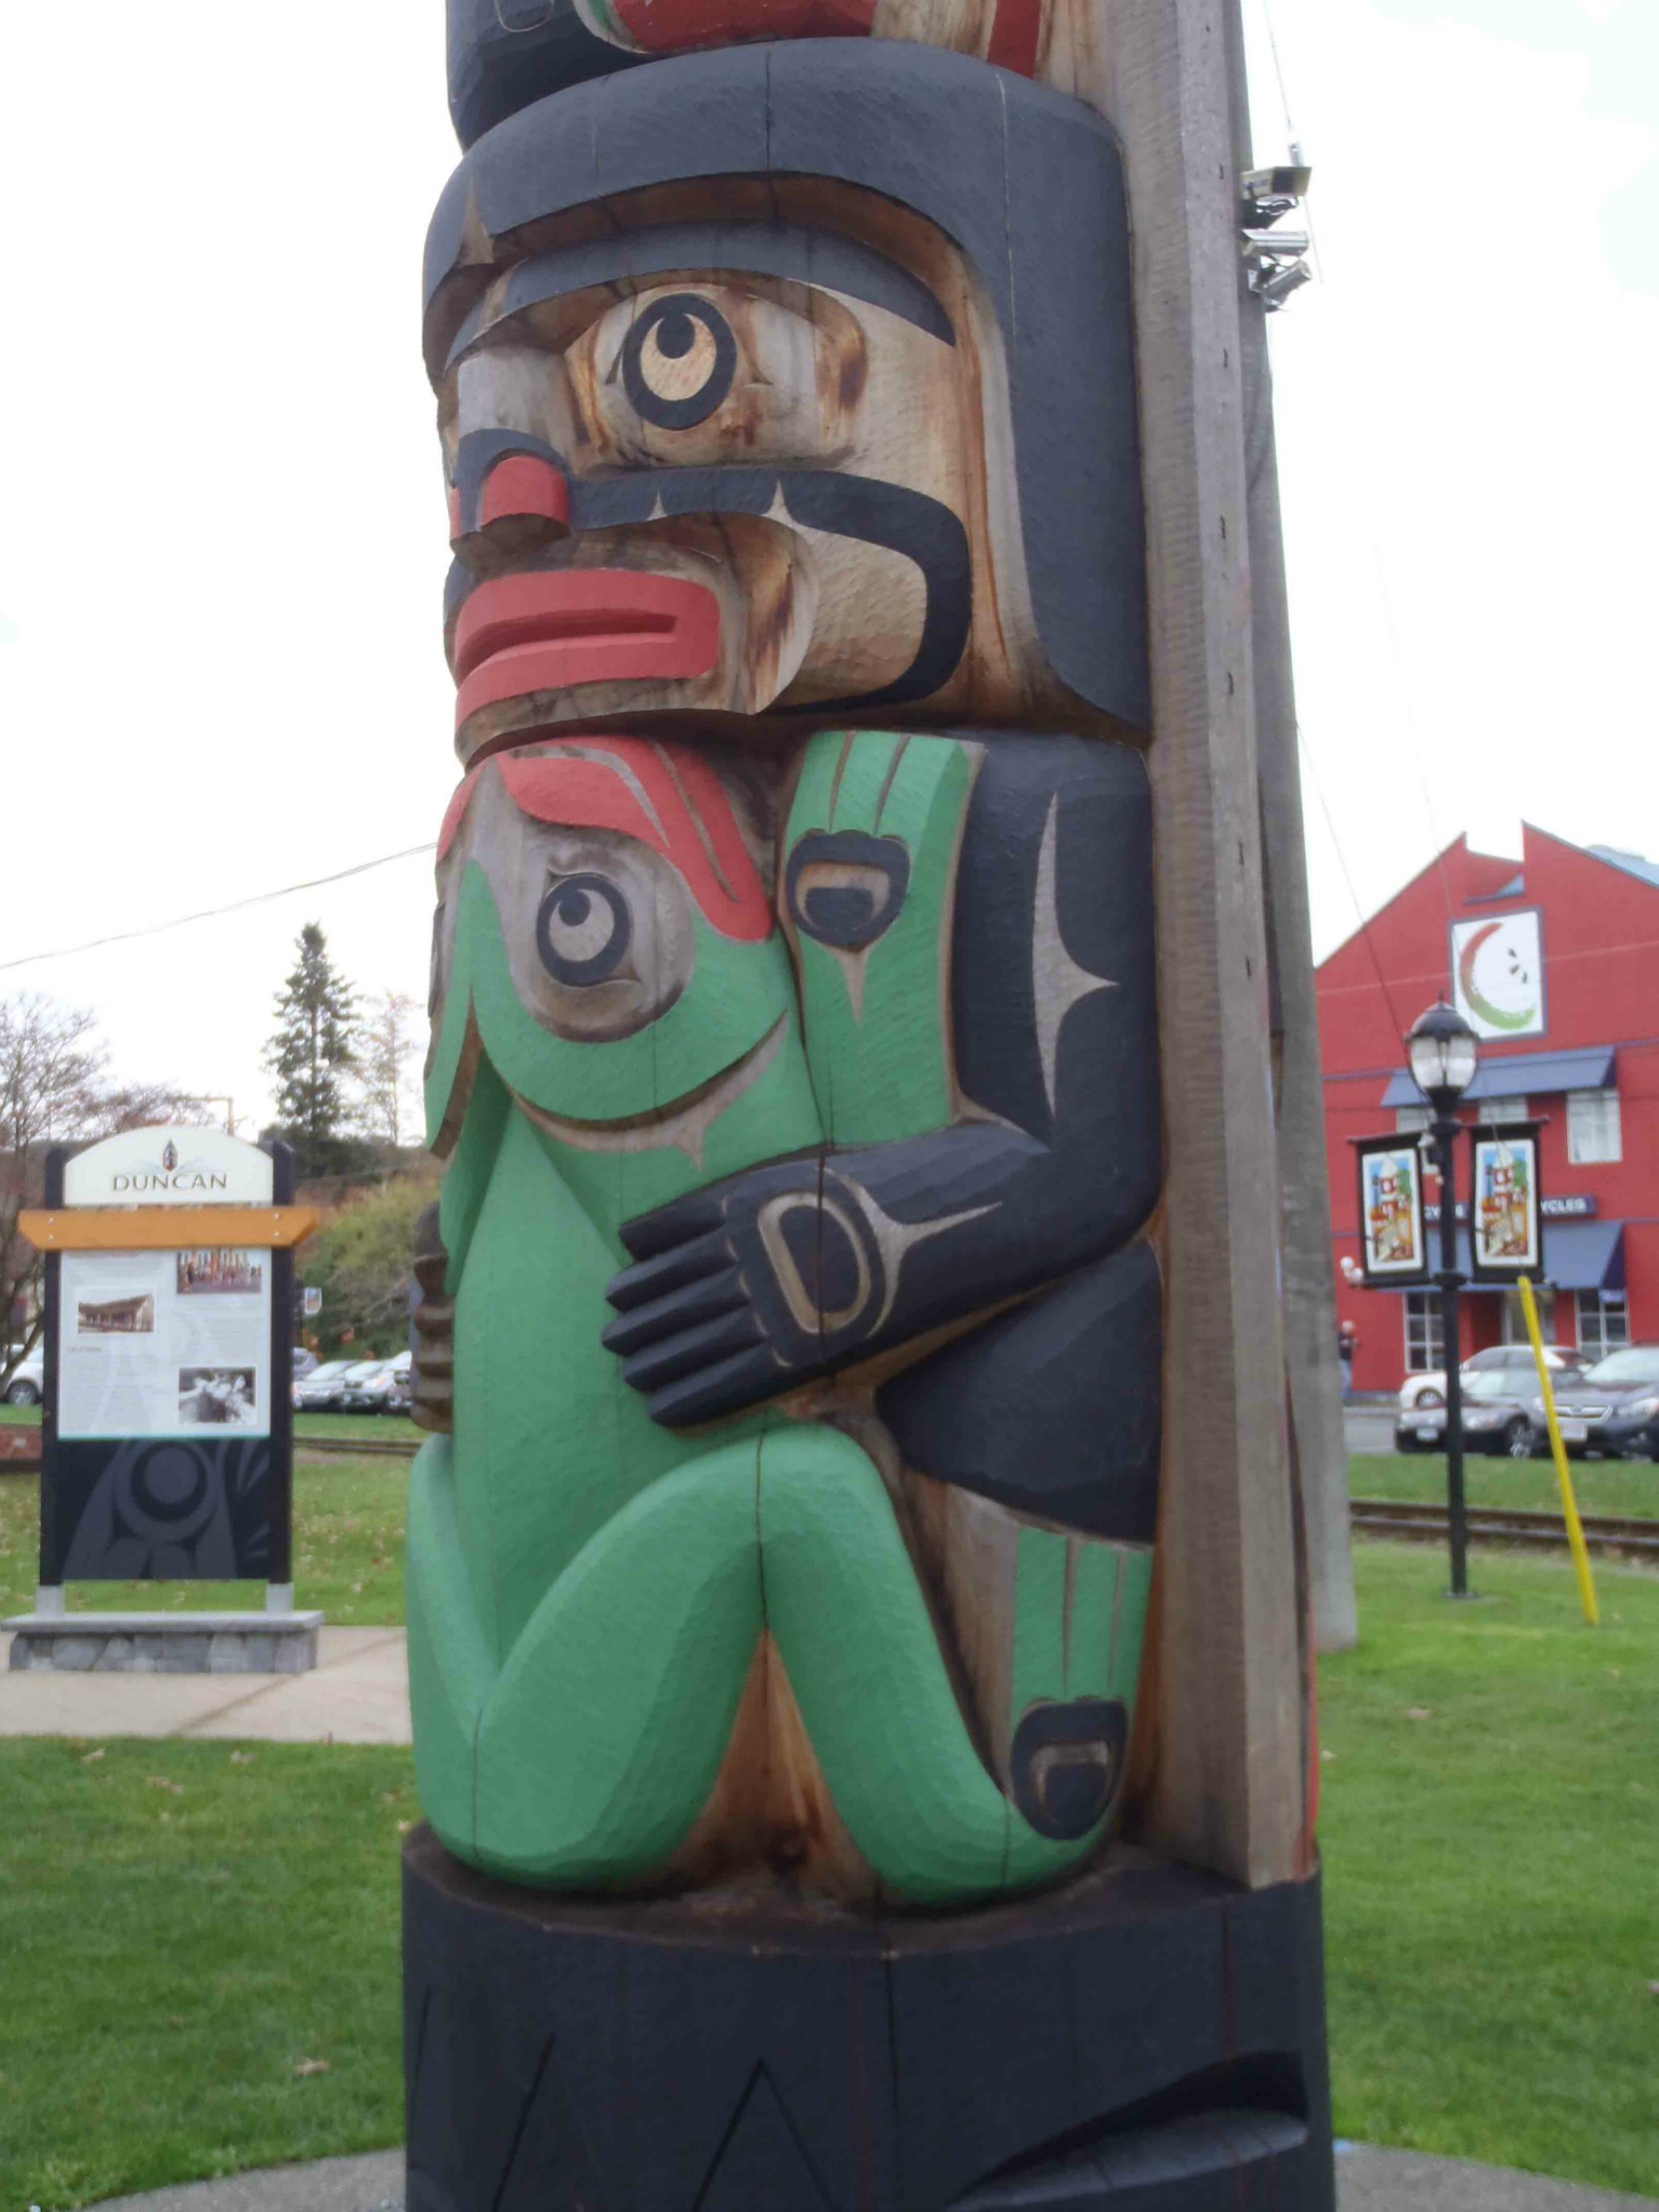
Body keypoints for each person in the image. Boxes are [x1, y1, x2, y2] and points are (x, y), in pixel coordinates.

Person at [1338, 1318, 1359, 1400]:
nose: (1351, 1329)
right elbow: (1344, 1344)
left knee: (1346, 1380)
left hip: (1347, 1360)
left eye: (1351, 1328)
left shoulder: (1349, 1336)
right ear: (1345, 1328)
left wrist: (1352, 1343)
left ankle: (1346, 1398)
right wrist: (1352, 1343)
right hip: (1342, 1360)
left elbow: (1354, 1346)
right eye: (1350, 1327)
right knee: (1347, 1380)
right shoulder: (1340, 1335)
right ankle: (1343, 1398)